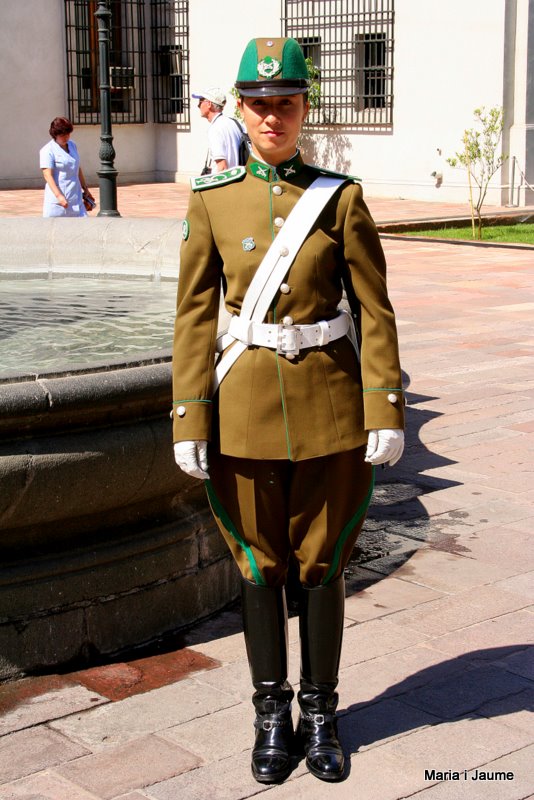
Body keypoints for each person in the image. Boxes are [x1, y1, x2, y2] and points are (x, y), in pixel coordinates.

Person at [172, 37, 405, 784]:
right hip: (241, 416)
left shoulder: (340, 199)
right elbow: (193, 317)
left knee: (323, 565)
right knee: (257, 566)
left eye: (288, 103)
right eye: (261, 104)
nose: (274, 116)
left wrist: (385, 409)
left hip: (332, 414)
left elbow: (375, 308)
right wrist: (189, 416)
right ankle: (272, 716)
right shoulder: (212, 199)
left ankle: (323, 711)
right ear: (243, 110)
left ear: (306, 108)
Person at [39, 117, 94, 217]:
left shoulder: (72, 145)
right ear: (55, 134)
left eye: (68, 134)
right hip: (59, 201)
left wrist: (85, 188)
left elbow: (77, 167)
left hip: (75, 195)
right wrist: (58, 196)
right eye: (63, 135)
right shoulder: (48, 150)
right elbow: (47, 175)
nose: (66, 137)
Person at [192, 87, 245, 173]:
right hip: (240, 179)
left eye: (200, 102)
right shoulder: (236, 123)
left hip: (226, 182)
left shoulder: (215, 128)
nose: (198, 106)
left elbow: (222, 167)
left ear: (209, 104)